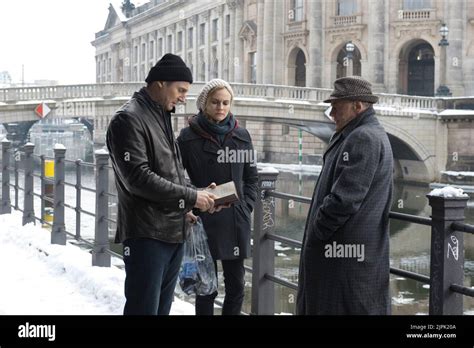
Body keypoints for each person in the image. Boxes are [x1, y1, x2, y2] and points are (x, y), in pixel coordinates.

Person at [106, 53, 218, 315]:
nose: (183, 97)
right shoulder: (129, 118)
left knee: (160, 310)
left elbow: (170, 173)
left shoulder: (161, 114)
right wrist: (191, 196)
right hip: (147, 235)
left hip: (172, 230)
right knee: (143, 310)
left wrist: (188, 206)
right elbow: (138, 178)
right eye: (180, 90)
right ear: (159, 84)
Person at [296, 76, 394, 315]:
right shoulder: (359, 133)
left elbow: (344, 200)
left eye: (337, 107)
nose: (331, 114)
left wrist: (316, 234)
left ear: (357, 106)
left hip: (343, 258)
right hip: (348, 256)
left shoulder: (363, 137)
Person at [177, 79, 258, 315]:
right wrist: (189, 205)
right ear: (203, 104)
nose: (221, 107)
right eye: (215, 102)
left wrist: (246, 206)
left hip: (235, 220)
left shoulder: (242, 136)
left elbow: (251, 177)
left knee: (236, 286)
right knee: (206, 287)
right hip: (203, 220)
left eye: (225, 102)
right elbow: (175, 176)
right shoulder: (187, 138)